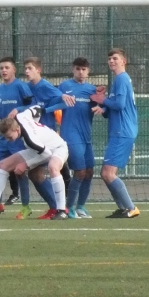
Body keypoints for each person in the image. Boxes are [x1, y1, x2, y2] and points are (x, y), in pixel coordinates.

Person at [0, 104, 69, 221]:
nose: (8, 140)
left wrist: (25, 165)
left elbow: (47, 154)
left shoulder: (30, 139)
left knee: (53, 167)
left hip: (57, 147)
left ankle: (62, 211)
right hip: (39, 149)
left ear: (17, 130)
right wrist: (34, 123)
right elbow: (37, 108)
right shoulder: (21, 116)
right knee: (2, 165)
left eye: (9, 137)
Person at [90, 48, 140, 218]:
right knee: (105, 174)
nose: (111, 61)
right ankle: (123, 208)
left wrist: (103, 100)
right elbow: (115, 106)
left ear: (124, 61)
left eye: (115, 58)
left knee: (108, 173)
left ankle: (131, 208)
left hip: (122, 131)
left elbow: (119, 105)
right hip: (120, 130)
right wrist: (103, 108)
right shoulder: (119, 80)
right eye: (110, 58)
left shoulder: (122, 79)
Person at [0, 57, 34, 218]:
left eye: (7, 67)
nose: (4, 70)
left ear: (14, 70)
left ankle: (25, 206)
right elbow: (1, 111)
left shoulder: (21, 86)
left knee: (20, 171)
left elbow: (33, 105)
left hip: (17, 136)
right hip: (4, 137)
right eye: (1, 68)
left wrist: (19, 109)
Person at [18, 57, 62, 219]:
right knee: (35, 174)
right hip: (32, 136)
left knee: (37, 174)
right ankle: (57, 207)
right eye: (25, 68)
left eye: (30, 68)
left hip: (46, 138)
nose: (27, 71)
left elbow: (63, 101)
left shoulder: (46, 87)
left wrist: (46, 110)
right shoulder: (26, 88)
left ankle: (59, 207)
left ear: (39, 70)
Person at [57, 58, 97, 218]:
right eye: (78, 69)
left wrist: (102, 102)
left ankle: (81, 207)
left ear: (88, 71)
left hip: (86, 136)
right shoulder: (64, 86)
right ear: (73, 69)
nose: (81, 72)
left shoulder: (92, 90)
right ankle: (69, 207)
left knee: (90, 171)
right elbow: (53, 102)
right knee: (80, 172)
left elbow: (100, 107)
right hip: (70, 135)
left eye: (84, 69)